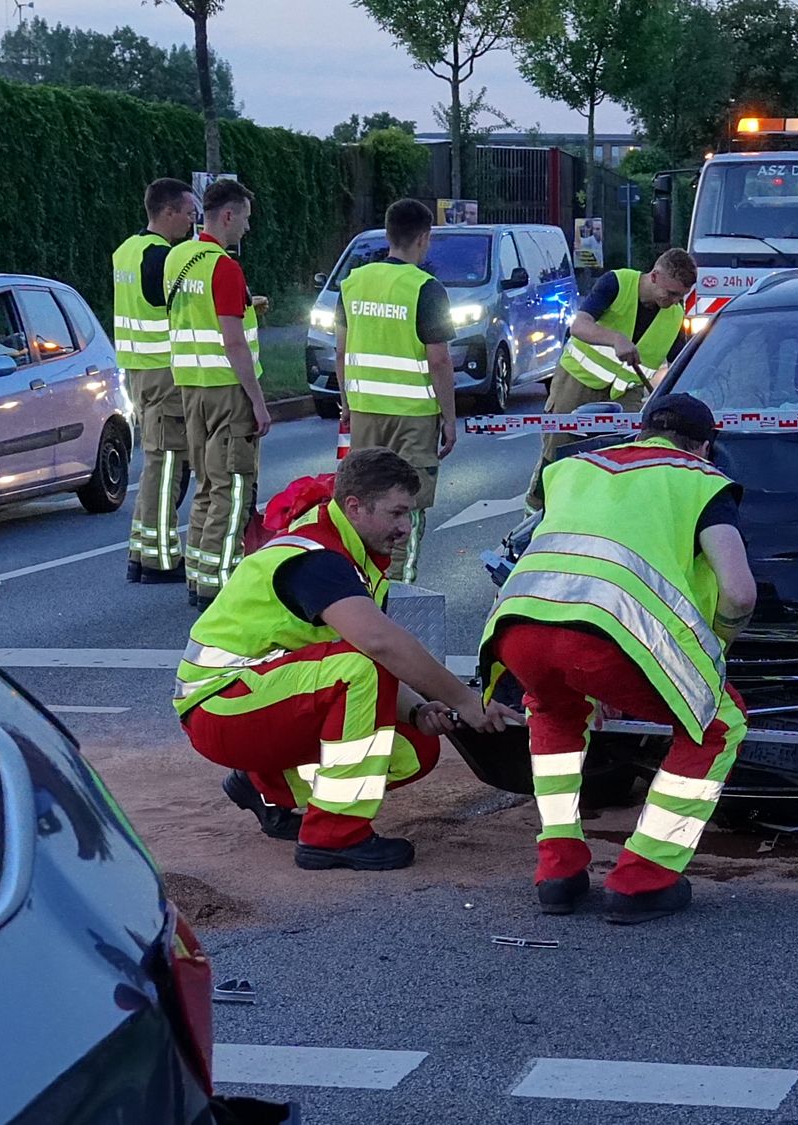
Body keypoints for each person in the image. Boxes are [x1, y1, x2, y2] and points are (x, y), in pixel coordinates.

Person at [174, 448, 521, 871]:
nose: (405, 528)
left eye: (408, 514)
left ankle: (267, 785)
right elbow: (378, 646)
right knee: (361, 668)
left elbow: (350, 660)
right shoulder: (317, 559)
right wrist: (467, 701)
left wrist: (417, 712)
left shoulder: (348, 555)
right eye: (396, 514)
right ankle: (333, 837)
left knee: (415, 750)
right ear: (354, 506)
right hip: (221, 707)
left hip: (257, 700)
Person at [481, 394, 758, 924]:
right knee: (718, 724)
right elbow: (740, 594)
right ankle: (644, 876)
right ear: (705, 445)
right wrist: (715, 650)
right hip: (612, 637)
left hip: (520, 626)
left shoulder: (574, 468)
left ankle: (558, 869)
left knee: (556, 717)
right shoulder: (701, 479)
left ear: (640, 432)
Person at [336, 198, 456, 584]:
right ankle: (401, 595)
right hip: (414, 417)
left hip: (366, 412)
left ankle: (361, 589)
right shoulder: (426, 288)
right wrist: (450, 419)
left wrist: (348, 403)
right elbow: (438, 360)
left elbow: (340, 348)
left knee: (365, 505)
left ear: (388, 235)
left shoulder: (353, 283)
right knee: (408, 508)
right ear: (424, 238)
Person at [523, 248, 698, 511]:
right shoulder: (617, 283)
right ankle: (535, 513)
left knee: (624, 456)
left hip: (625, 394)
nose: (674, 300)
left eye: (680, 296)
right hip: (578, 380)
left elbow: (678, 362)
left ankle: (602, 515)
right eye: (671, 293)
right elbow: (579, 325)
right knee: (558, 450)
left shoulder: (674, 315)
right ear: (654, 276)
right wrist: (615, 338)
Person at [166, 178, 270, 609]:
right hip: (228, 391)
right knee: (233, 487)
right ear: (228, 215)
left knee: (208, 484)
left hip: (191, 387)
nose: (246, 227)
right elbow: (232, 341)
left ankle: (199, 573)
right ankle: (222, 582)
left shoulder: (178, 258)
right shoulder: (224, 267)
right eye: (244, 218)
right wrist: (259, 401)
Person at [114, 177, 199, 585]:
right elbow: (183, 312)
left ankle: (141, 551)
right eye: (187, 213)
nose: (191, 221)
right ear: (167, 212)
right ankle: (161, 558)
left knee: (155, 463)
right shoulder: (162, 258)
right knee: (167, 465)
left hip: (136, 369)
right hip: (165, 371)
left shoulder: (126, 251)